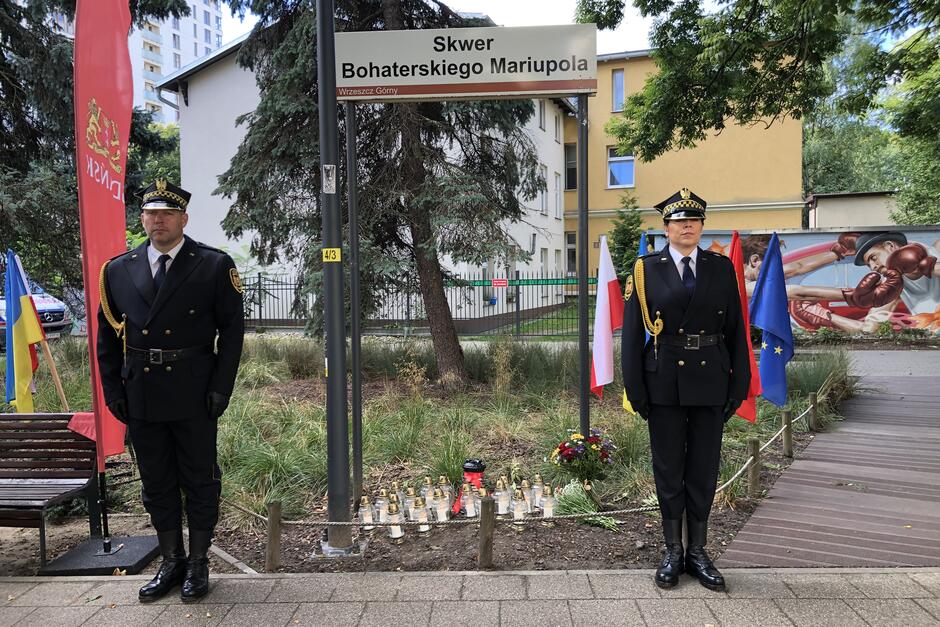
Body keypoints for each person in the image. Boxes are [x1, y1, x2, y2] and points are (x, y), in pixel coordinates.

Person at [97, 180, 245, 603]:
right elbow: (107, 338)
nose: (157, 220)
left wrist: (221, 386)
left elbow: (232, 333)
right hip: (141, 391)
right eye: (150, 213)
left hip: (195, 390)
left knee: (200, 479)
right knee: (156, 480)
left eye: (166, 213)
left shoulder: (213, 266)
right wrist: (113, 390)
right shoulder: (118, 269)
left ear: (184, 218)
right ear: (142, 218)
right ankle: (171, 560)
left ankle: (199, 563)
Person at [620, 188, 750, 592]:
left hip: (711, 377)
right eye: (678, 221)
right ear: (666, 228)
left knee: (704, 467)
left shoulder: (720, 267)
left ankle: (698, 551)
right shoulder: (646, 269)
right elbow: (630, 338)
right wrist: (636, 389)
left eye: (693, 221)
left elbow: (735, 330)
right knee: (669, 467)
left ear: (701, 226)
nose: (687, 226)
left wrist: (739, 383)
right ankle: (672, 550)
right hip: (664, 380)